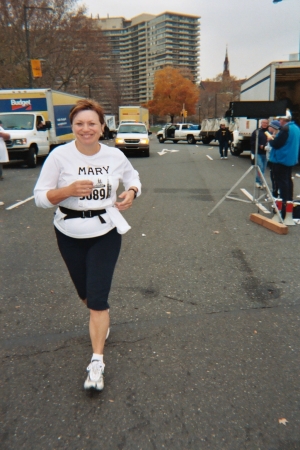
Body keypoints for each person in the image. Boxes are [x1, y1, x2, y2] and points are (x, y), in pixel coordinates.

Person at [34, 99, 141, 391]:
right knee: (84, 293)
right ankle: (99, 317)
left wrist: (131, 191)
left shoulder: (115, 155)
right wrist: (67, 191)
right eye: (79, 124)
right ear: (73, 127)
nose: (86, 129)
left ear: (102, 126)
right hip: (68, 232)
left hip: (106, 230)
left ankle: (97, 362)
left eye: (92, 123)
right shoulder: (59, 156)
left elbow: (133, 177)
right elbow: (40, 197)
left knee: (97, 298)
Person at [266, 110, 300, 218]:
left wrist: (270, 139)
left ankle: (284, 207)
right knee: (288, 181)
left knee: (282, 183)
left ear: (283, 119)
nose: (279, 122)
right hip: (290, 159)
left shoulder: (285, 129)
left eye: (280, 119)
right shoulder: (296, 128)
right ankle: (288, 203)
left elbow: (276, 144)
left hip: (281, 159)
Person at [250, 119, 269, 188]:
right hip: (257, 152)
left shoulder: (268, 132)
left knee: (263, 168)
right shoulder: (257, 132)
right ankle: (258, 182)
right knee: (260, 166)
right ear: (261, 123)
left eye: (266, 123)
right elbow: (252, 141)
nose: (265, 124)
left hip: (265, 152)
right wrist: (259, 146)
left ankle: (261, 181)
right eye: (263, 123)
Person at [265, 120, 281, 198]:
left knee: (275, 177)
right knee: (273, 177)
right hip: (272, 159)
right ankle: (275, 192)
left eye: (270, 126)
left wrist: (266, 146)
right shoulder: (274, 135)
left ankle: (275, 194)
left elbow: (272, 147)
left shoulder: (276, 136)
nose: (269, 127)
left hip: (275, 159)